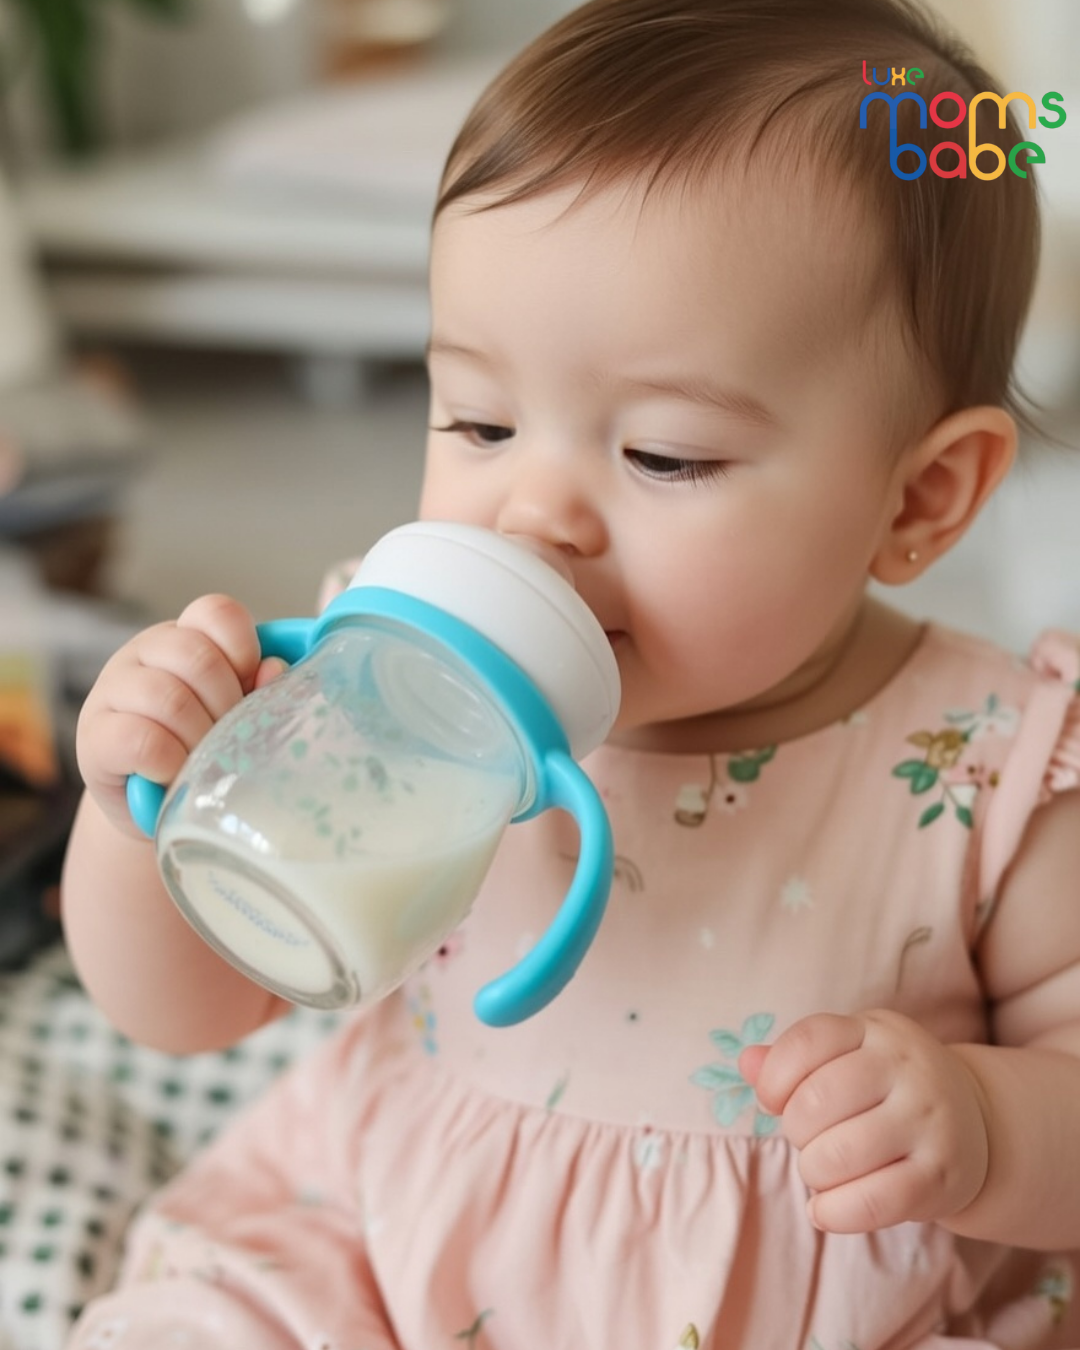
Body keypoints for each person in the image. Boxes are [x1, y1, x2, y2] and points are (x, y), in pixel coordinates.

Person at [61, 0, 1080, 1345]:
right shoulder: (386, 682)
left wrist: (984, 1127)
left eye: (663, 454)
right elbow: (189, 1005)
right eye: (479, 420)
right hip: (383, 1246)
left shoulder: (988, 765)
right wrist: (138, 810)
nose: (532, 513)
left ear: (920, 498)